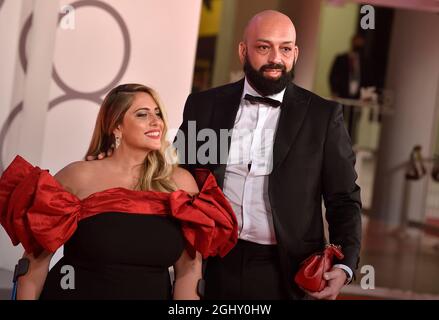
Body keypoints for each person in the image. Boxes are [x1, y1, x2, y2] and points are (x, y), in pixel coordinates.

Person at [176, 10, 362, 300]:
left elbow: (343, 199)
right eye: (264, 47)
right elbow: (181, 178)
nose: (276, 58)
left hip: (288, 269)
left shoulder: (323, 117)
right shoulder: (204, 106)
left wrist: (345, 264)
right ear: (243, 51)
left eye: (285, 48)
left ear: (295, 53)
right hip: (213, 262)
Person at [0, 84, 238, 300]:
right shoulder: (78, 176)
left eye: (157, 113)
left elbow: (190, 269)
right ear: (116, 126)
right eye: (142, 114)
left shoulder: (181, 183)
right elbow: (35, 262)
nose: (156, 122)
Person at [329, 33, 376, 144]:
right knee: (338, 121)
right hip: (342, 97)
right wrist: (334, 91)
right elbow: (333, 76)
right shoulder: (341, 58)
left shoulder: (365, 62)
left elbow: (369, 80)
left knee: (353, 123)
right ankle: (335, 144)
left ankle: (350, 145)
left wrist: (367, 96)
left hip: (357, 99)